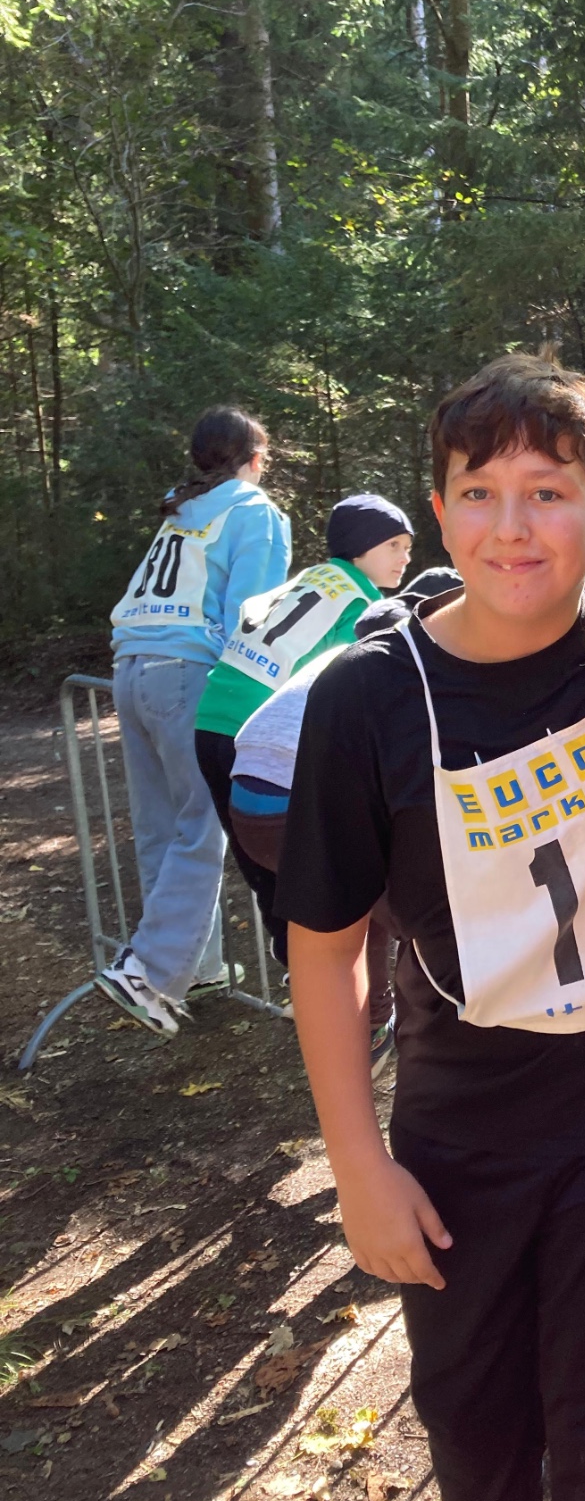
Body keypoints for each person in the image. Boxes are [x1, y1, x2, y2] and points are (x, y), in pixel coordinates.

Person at [274, 355, 585, 1501]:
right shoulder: (367, 699)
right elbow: (325, 950)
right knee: (477, 1438)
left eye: (548, 492)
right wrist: (357, 1166)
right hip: (466, 1138)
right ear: (439, 513)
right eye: (479, 493)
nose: (511, 525)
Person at [102, 406, 290, 1037]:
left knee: (161, 826)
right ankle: (150, 973)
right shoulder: (254, 510)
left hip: (131, 668)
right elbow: (252, 616)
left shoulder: (181, 507)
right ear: (256, 459)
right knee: (203, 827)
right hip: (186, 673)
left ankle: (194, 967)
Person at [227, 568, 457, 1074]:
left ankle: (369, 1021)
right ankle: (408, 1026)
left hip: (247, 795)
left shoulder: (349, 658)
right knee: (411, 911)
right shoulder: (403, 670)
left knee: (358, 902)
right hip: (291, 798)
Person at [194, 492, 414, 963]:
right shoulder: (362, 602)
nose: (405, 557)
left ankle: (293, 960)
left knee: (261, 865)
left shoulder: (310, 578)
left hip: (210, 720)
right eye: (394, 545)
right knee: (317, 868)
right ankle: (322, 974)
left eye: (408, 547)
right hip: (258, 736)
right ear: (360, 546)